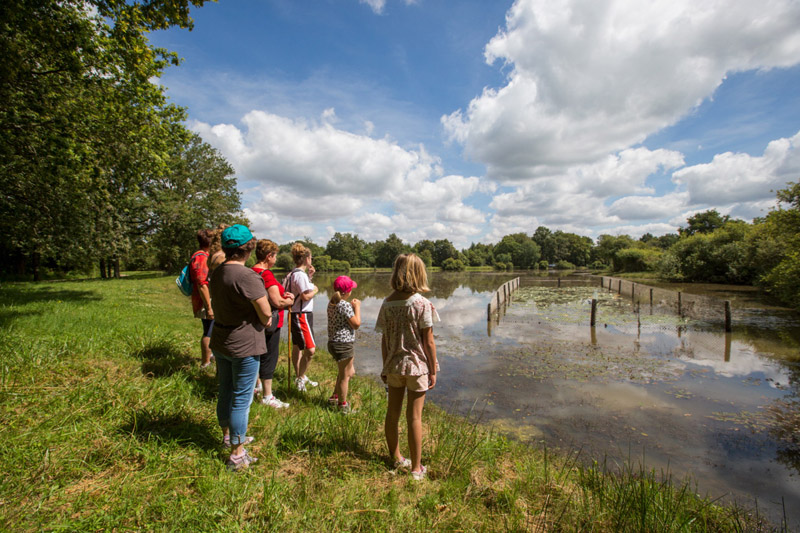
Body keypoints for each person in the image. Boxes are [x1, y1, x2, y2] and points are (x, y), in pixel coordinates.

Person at [209, 224, 272, 470]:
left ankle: (227, 437)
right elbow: (265, 313)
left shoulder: (217, 272)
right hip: (244, 345)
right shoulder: (247, 276)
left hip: (221, 340)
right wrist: (267, 317)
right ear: (249, 248)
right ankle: (237, 454)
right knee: (241, 400)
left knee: (225, 389)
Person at [376, 253, 439, 481]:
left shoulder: (387, 303)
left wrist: (385, 366)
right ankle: (416, 468)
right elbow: (428, 341)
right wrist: (432, 370)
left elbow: (384, 339)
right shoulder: (422, 303)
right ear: (418, 274)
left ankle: (396, 457)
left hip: (393, 366)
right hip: (417, 367)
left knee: (392, 413)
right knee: (414, 417)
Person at [252, 239, 295, 409]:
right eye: (275, 256)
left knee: (255, 354)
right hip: (270, 322)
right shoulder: (266, 274)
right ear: (269, 256)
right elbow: (276, 301)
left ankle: (256, 387)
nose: (276, 259)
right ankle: (267, 396)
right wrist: (289, 301)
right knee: (269, 357)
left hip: (255, 321)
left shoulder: (251, 271)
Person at [283, 242, 319, 392]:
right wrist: (316, 289)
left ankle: (300, 375)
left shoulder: (292, 273)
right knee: (310, 350)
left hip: (295, 314)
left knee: (297, 346)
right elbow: (305, 296)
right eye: (310, 257)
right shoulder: (300, 275)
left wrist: (309, 277)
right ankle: (300, 378)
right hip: (301, 316)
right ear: (306, 259)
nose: (311, 260)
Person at [326, 275, 361, 414]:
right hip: (343, 344)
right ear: (347, 292)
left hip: (333, 343)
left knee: (347, 372)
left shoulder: (332, 302)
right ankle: (343, 406)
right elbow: (356, 324)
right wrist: (357, 307)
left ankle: (335, 397)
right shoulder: (345, 305)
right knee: (345, 376)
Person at [189, 229, 215, 367]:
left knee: (211, 328)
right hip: (206, 301)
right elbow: (202, 284)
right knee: (209, 330)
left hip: (206, 300)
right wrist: (209, 307)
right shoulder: (202, 258)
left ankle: (211, 356)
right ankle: (205, 363)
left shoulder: (203, 256)